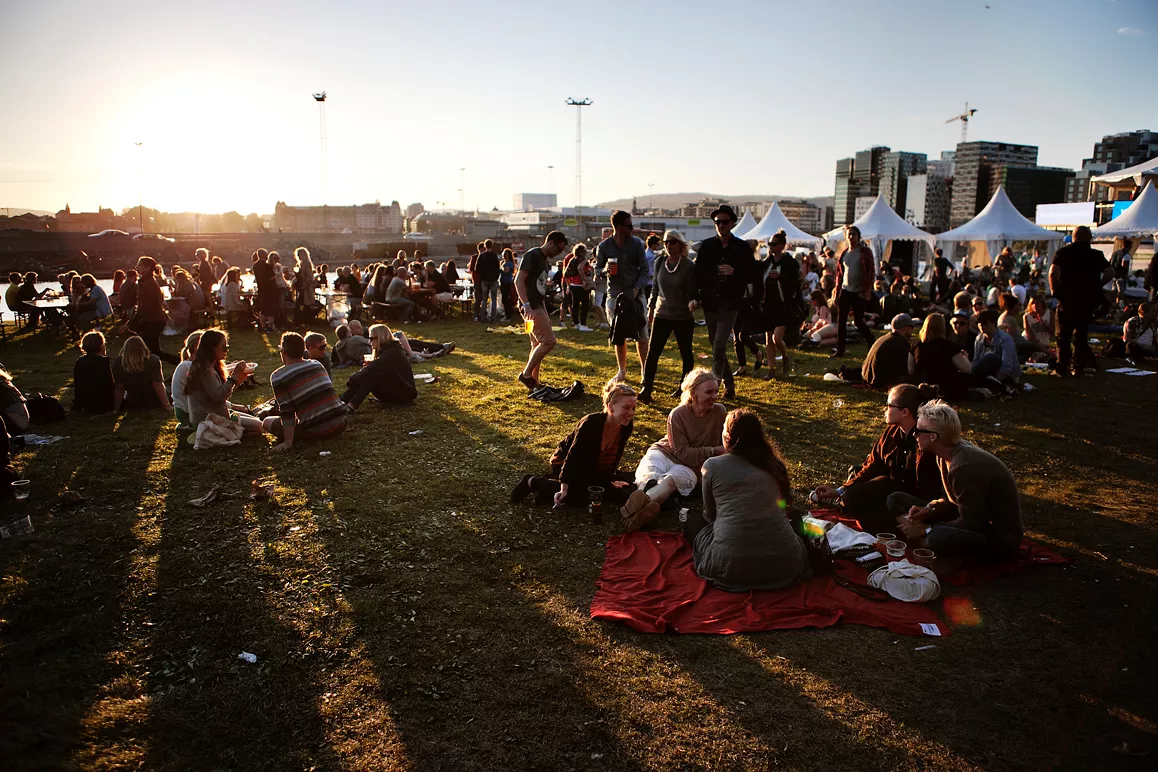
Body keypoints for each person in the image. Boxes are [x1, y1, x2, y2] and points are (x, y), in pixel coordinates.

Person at [683, 409, 811, 592]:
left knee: (692, 524)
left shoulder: (712, 466)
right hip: (786, 565)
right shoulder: (775, 465)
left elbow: (710, 516)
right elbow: (784, 506)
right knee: (796, 518)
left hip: (729, 567)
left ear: (727, 437)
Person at [888, 400, 1023, 562]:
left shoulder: (964, 466)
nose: (915, 434)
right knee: (895, 499)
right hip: (968, 516)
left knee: (937, 537)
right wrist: (930, 509)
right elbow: (953, 500)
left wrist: (927, 530)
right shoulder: (943, 453)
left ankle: (925, 544)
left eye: (918, 430)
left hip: (996, 534)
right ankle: (922, 542)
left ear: (933, 437)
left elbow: (972, 521)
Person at [812, 384, 944, 534]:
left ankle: (907, 528)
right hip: (891, 490)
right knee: (856, 485)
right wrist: (840, 489)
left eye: (889, 405)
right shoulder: (893, 431)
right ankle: (842, 500)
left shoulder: (925, 441)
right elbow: (873, 465)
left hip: (915, 502)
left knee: (864, 499)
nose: (885, 409)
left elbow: (932, 490)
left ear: (904, 412)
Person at [510, 379, 638, 509]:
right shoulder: (591, 423)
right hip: (566, 463)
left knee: (614, 491)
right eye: (626, 407)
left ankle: (546, 492)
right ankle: (533, 482)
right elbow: (572, 458)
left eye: (633, 408)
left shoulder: (625, 427)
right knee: (589, 494)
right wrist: (565, 488)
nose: (631, 413)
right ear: (610, 406)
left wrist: (608, 480)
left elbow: (615, 458)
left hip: (593, 469)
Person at [624, 368, 725, 529]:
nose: (714, 396)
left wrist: (716, 453)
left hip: (692, 467)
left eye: (716, 391)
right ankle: (642, 508)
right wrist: (714, 451)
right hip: (665, 452)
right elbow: (682, 452)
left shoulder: (720, 412)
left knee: (670, 480)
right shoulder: (678, 414)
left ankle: (639, 509)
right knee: (649, 474)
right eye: (709, 392)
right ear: (693, 393)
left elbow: (690, 458)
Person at [692, 204, 756, 400]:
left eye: (724, 222)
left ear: (732, 223)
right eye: (717, 222)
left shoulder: (742, 247)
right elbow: (698, 273)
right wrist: (695, 296)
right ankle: (730, 386)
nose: (720, 225)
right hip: (711, 302)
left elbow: (752, 273)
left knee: (719, 345)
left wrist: (735, 272)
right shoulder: (707, 246)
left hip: (730, 302)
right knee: (715, 345)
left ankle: (714, 386)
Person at [263, 332, 347, 451]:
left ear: (284, 352)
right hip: (341, 422)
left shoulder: (278, 376)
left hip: (316, 429)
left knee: (267, 422)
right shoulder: (317, 364)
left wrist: (288, 442)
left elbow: (287, 411)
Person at [640, 230, 697, 403]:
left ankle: (684, 388)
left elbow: (693, 290)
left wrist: (693, 301)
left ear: (680, 244)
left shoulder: (688, 266)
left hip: (683, 316)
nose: (668, 245)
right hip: (662, 314)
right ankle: (646, 387)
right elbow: (655, 288)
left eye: (672, 242)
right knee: (653, 352)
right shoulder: (659, 262)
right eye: (666, 242)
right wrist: (650, 308)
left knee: (686, 353)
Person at [596, 210, 651, 383]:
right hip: (614, 295)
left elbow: (645, 271)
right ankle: (622, 370)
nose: (632, 229)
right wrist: (605, 270)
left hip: (635, 295)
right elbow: (597, 271)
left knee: (642, 334)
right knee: (619, 335)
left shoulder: (636, 244)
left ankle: (645, 371)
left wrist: (636, 289)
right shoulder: (604, 247)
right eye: (629, 226)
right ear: (618, 227)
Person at [1050, 226, 1112, 377]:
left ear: (1073, 237)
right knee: (1081, 336)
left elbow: (1053, 272)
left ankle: (1062, 367)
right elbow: (1110, 272)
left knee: (1063, 336)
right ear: (1089, 237)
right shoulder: (1096, 255)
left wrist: (1055, 290)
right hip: (1086, 300)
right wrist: (1098, 285)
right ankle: (1078, 367)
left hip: (1067, 298)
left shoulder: (1063, 252)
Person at [515, 231, 568, 390]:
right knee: (549, 341)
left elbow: (541, 290)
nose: (559, 253)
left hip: (537, 306)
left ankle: (534, 383)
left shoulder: (544, 261)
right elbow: (518, 280)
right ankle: (525, 375)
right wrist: (526, 305)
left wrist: (545, 311)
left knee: (536, 343)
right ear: (551, 242)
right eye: (558, 249)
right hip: (530, 307)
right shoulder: (532, 255)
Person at [184, 329, 262, 433]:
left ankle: (234, 431)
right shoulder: (204, 370)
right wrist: (234, 376)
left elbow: (222, 394)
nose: (226, 351)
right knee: (259, 426)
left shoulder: (210, 365)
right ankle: (230, 433)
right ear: (212, 348)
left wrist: (238, 380)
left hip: (214, 414)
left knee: (256, 419)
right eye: (224, 347)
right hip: (208, 420)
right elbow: (218, 397)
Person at [340, 323, 417, 409]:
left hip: (405, 394)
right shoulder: (387, 350)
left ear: (380, 337)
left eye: (371, 338)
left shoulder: (393, 353)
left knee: (373, 374)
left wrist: (353, 379)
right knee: (371, 373)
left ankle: (349, 404)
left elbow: (372, 368)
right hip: (398, 390)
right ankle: (344, 403)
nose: (369, 342)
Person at [756, 229, 800, 379]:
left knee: (777, 338)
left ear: (782, 245)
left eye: (774, 244)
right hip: (768, 304)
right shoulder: (766, 263)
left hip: (783, 304)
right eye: (769, 244)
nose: (771, 247)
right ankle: (771, 369)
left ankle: (785, 356)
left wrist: (781, 277)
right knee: (768, 338)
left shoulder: (790, 263)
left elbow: (795, 283)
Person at [832, 225, 877, 358]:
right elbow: (839, 275)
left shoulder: (865, 252)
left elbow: (871, 272)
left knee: (858, 321)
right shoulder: (844, 254)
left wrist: (867, 290)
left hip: (859, 291)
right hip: (846, 290)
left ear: (858, 237)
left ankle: (871, 342)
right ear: (846, 237)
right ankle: (840, 350)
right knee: (841, 321)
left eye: (854, 234)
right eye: (849, 235)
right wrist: (837, 292)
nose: (851, 237)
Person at [127, 257, 179, 364]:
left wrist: (129, 323)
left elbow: (144, 307)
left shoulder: (149, 284)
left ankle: (180, 363)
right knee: (152, 350)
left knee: (152, 351)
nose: (137, 267)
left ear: (147, 268)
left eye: (140, 265)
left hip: (153, 321)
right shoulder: (144, 282)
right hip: (151, 320)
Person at [910, 313, 971, 399]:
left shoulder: (916, 346)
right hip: (945, 385)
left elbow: (911, 370)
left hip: (922, 383)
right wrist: (966, 357)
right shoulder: (948, 346)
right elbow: (966, 369)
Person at [112, 335, 171, 412]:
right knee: (171, 382)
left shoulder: (118, 363)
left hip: (134, 402)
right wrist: (167, 405)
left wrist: (116, 409)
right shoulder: (153, 360)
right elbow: (158, 385)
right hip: (155, 401)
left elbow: (119, 388)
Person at [860, 313, 915, 389]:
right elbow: (905, 369)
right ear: (905, 328)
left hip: (867, 378)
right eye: (911, 327)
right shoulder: (901, 343)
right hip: (879, 382)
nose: (913, 329)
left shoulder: (884, 338)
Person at [71, 331, 115, 414]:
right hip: (103, 405)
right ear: (101, 346)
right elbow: (109, 386)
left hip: (86, 404)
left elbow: (78, 386)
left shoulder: (80, 361)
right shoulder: (102, 362)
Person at [972, 310, 1019, 385]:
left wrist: (996, 381)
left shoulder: (1005, 339)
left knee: (989, 358)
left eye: (984, 322)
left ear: (993, 322)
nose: (981, 325)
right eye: (978, 323)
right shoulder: (979, 339)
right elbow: (976, 360)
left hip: (1006, 375)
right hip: (988, 373)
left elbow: (1007, 364)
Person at [171, 330, 203, 426]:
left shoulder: (189, 364)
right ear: (195, 347)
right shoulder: (188, 366)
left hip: (189, 411)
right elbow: (208, 396)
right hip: (189, 413)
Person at [562, 245, 594, 332]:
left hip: (573, 285)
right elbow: (580, 268)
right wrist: (584, 280)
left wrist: (568, 285)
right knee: (585, 305)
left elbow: (566, 274)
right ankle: (583, 324)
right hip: (580, 285)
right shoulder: (583, 260)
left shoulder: (573, 260)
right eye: (585, 250)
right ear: (581, 252)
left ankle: (576, 323)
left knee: (575, 305)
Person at [474, 240, 501, 322]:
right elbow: (498, 268)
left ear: (485, 246)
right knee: (493, 299)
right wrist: (496, 277)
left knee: (484, 299)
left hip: (484, 280)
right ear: (491, 246)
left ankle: (483, 317)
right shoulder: (494, 256)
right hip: (493, 279)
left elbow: (476, 268)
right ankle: (493, 317)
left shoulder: (481, 256)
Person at [292, 246, 317, 324]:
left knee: (301, 303)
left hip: (305, 287)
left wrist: (305, 285)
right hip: (303, 287)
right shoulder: (302, 264)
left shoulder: (306, 264)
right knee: (303, 304)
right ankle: (305, 319)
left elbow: (309, 276)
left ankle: (299, 320)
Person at [498, 249, 517, 320]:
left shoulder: (509, 263)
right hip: (502, 282)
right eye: (503, 254)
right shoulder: (503, 262)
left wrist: (501, 267)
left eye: (505, 254)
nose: (504, 256)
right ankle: (506, 314)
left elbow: (506, 270)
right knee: (504, 299)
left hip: (507, 282)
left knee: (506, 299)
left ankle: (508, 315)